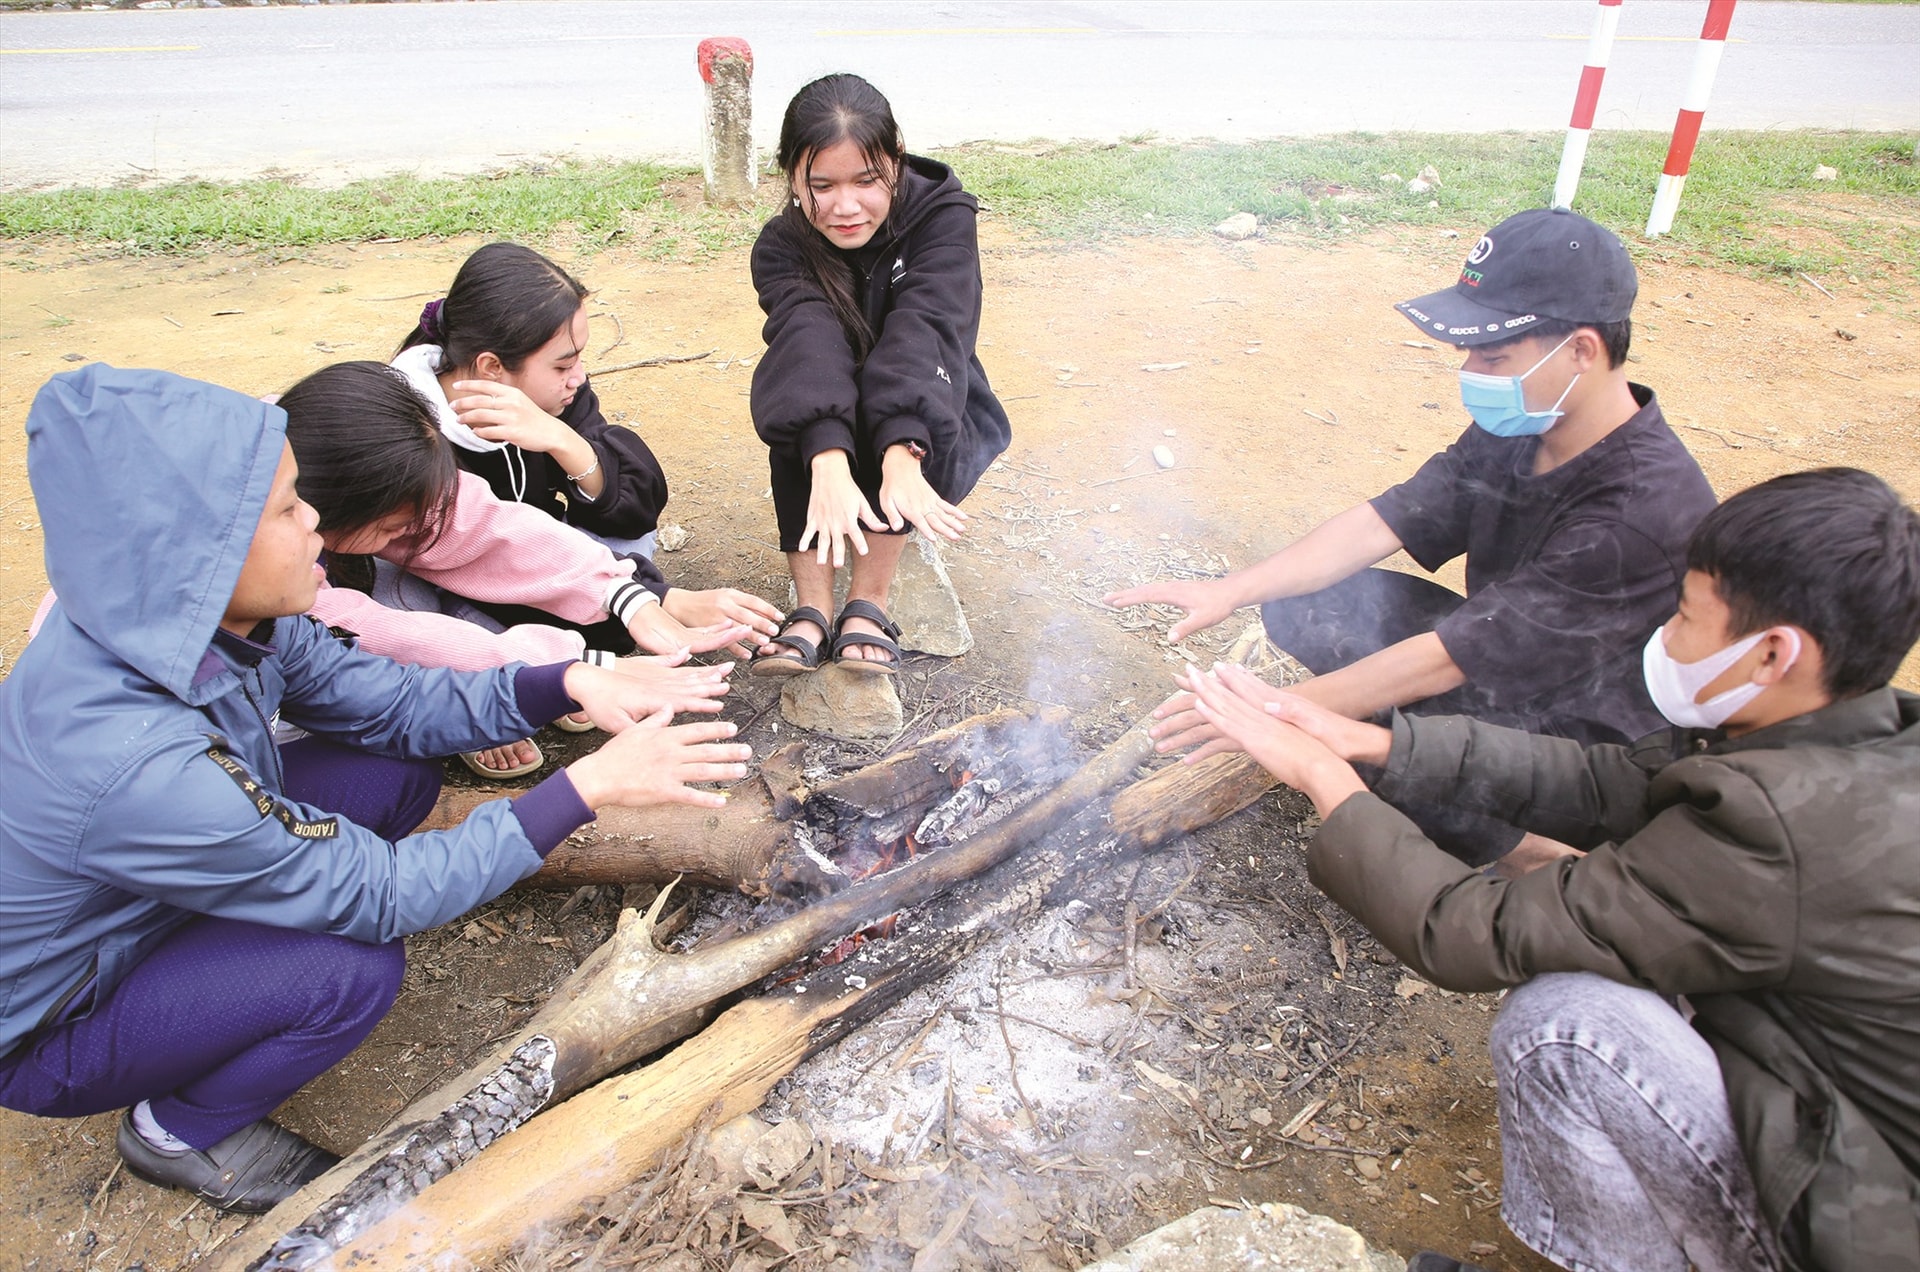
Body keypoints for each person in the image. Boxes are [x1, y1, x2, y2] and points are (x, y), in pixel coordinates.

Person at [0, 365, 753, 1214]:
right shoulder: (139, 764)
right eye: (287, 508)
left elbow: (390, 702)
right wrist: (583, 787)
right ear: (199, 551)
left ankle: (256, 943)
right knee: (350, 966)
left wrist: (566, 684)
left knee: (387, 768)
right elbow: (379, 893)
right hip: (52, 1018)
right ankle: (177, 1129)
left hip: (139, 897)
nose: (315, 518)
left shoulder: (217, 621)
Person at [1183, 467, 1920, 1272]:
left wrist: (1323, 777)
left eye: (1683, 616)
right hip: (1839, 1100)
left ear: (1773, 653)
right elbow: (1607, 782)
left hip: (1867, 1228)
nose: (1665, 638)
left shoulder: (1777, 833)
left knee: (1565, 1021)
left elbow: (1467, 932)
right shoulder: (1854, 741)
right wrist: (1376, 742)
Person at [1106, 208, 1716, 869]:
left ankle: (1534, 853)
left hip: (1595, 741)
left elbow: (1450, 659)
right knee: (1315, 607)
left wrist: (1281, 713)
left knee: (1378, 747)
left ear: (1582, 349)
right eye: (1470, 353)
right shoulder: (1525, 428)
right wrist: (1233, 589)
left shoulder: (1637, 510)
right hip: (1505, 659)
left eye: (1494, 353)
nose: (1475, 371)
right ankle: (1434, 791)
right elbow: (1386, 520)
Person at [280, 360, 757, 778]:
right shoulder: (277, 567)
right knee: (396, 751)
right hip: (290, 685)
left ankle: (505, 692)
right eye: (390, 528)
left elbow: (487, 525)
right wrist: (576, 671)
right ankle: (485, 704)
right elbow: (385, 634)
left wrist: (627, 596)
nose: (577, 378)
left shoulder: (336, 456)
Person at [394, 241, 782, 657]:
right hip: (461, 574)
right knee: (408, 608)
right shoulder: (407, 431)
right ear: (492, 367)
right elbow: (491, 553)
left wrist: (562, 440)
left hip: (550, 559)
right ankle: (549, 665)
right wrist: (656, 598)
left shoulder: (555, 393)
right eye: (562, 365)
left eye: (578, 359)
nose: (577, 377)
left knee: (623, 519)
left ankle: (573, 657)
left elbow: (635, 510)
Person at [747, 72, 1011, 677]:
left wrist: (901, 453)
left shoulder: (941, 217)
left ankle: (869, 604)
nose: (845, 207)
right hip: (826, 380)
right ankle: (812, 606)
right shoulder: (782, 245)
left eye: (866, 181)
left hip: (933, 383)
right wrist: (827, 459)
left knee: (909, 417)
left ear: (893, 161)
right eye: (821, 185)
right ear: (790, 176)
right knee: (806, 416)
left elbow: (929, 323)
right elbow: (806, 338)